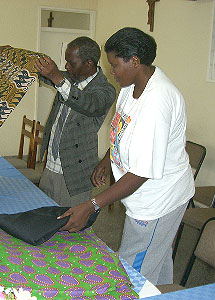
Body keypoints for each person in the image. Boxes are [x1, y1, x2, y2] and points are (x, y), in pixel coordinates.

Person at [59, 27, 195, 285]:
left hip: (158, 200)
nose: (111, 71)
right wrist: (108, 159)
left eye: (114, 65)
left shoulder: (157, 102)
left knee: (130, 273)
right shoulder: (129, 86)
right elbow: (124, 130)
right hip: (146, 193)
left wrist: (92, 205)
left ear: (135, 61)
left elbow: (141, 173)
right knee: (156, 259)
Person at [34, 37, 116, 207]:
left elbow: (89, 104)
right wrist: (17, 56)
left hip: (74, 175)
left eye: (71, 63)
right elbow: (42, 74)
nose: (66, 67)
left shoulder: (105, 90)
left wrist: (57, 78)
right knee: (44, 218)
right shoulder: (70, 78)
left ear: (88, 63)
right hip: (50, 166)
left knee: (70, 226)